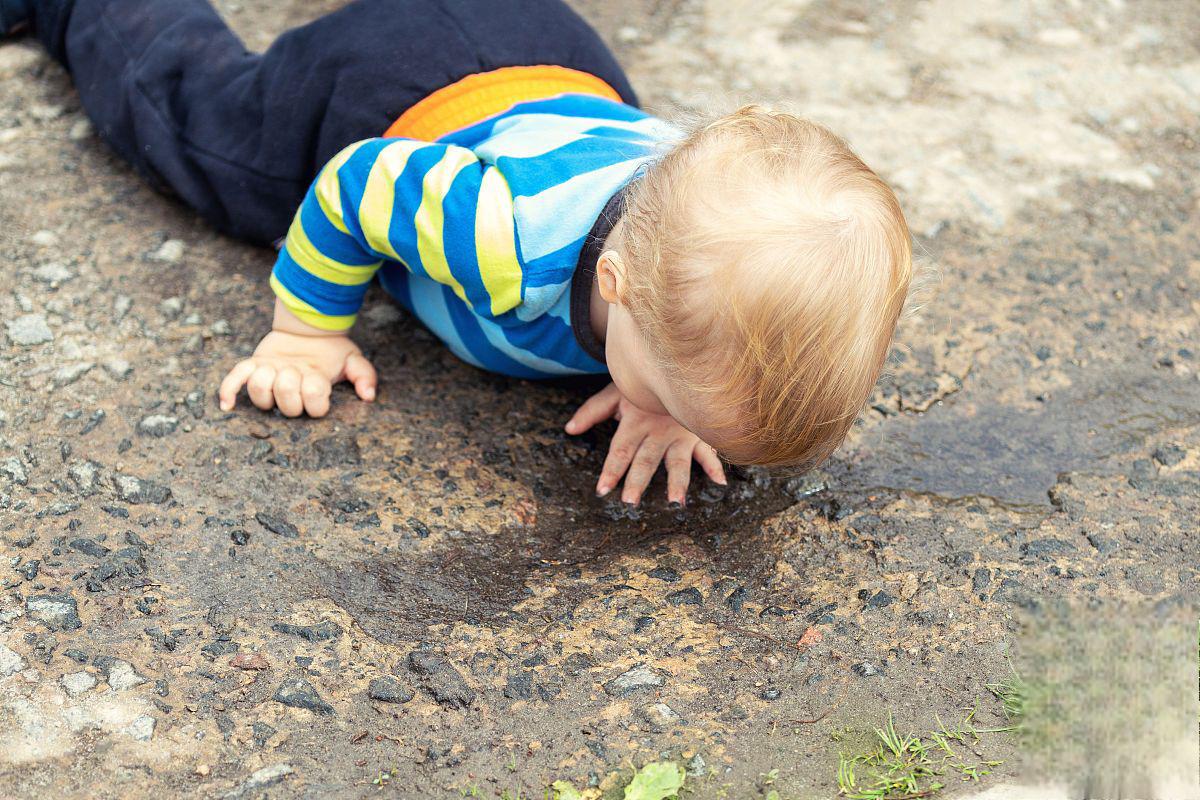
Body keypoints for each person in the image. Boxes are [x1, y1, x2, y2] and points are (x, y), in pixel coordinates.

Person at [2, 0, 914, 506]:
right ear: (613, 283)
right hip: (388, 82)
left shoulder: (692, 224)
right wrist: (307, 332)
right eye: (675, 400)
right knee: (200, 135)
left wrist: (677, 403)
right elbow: (360, 183)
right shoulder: (502, 240)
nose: (681, 428)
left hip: (547, 47)